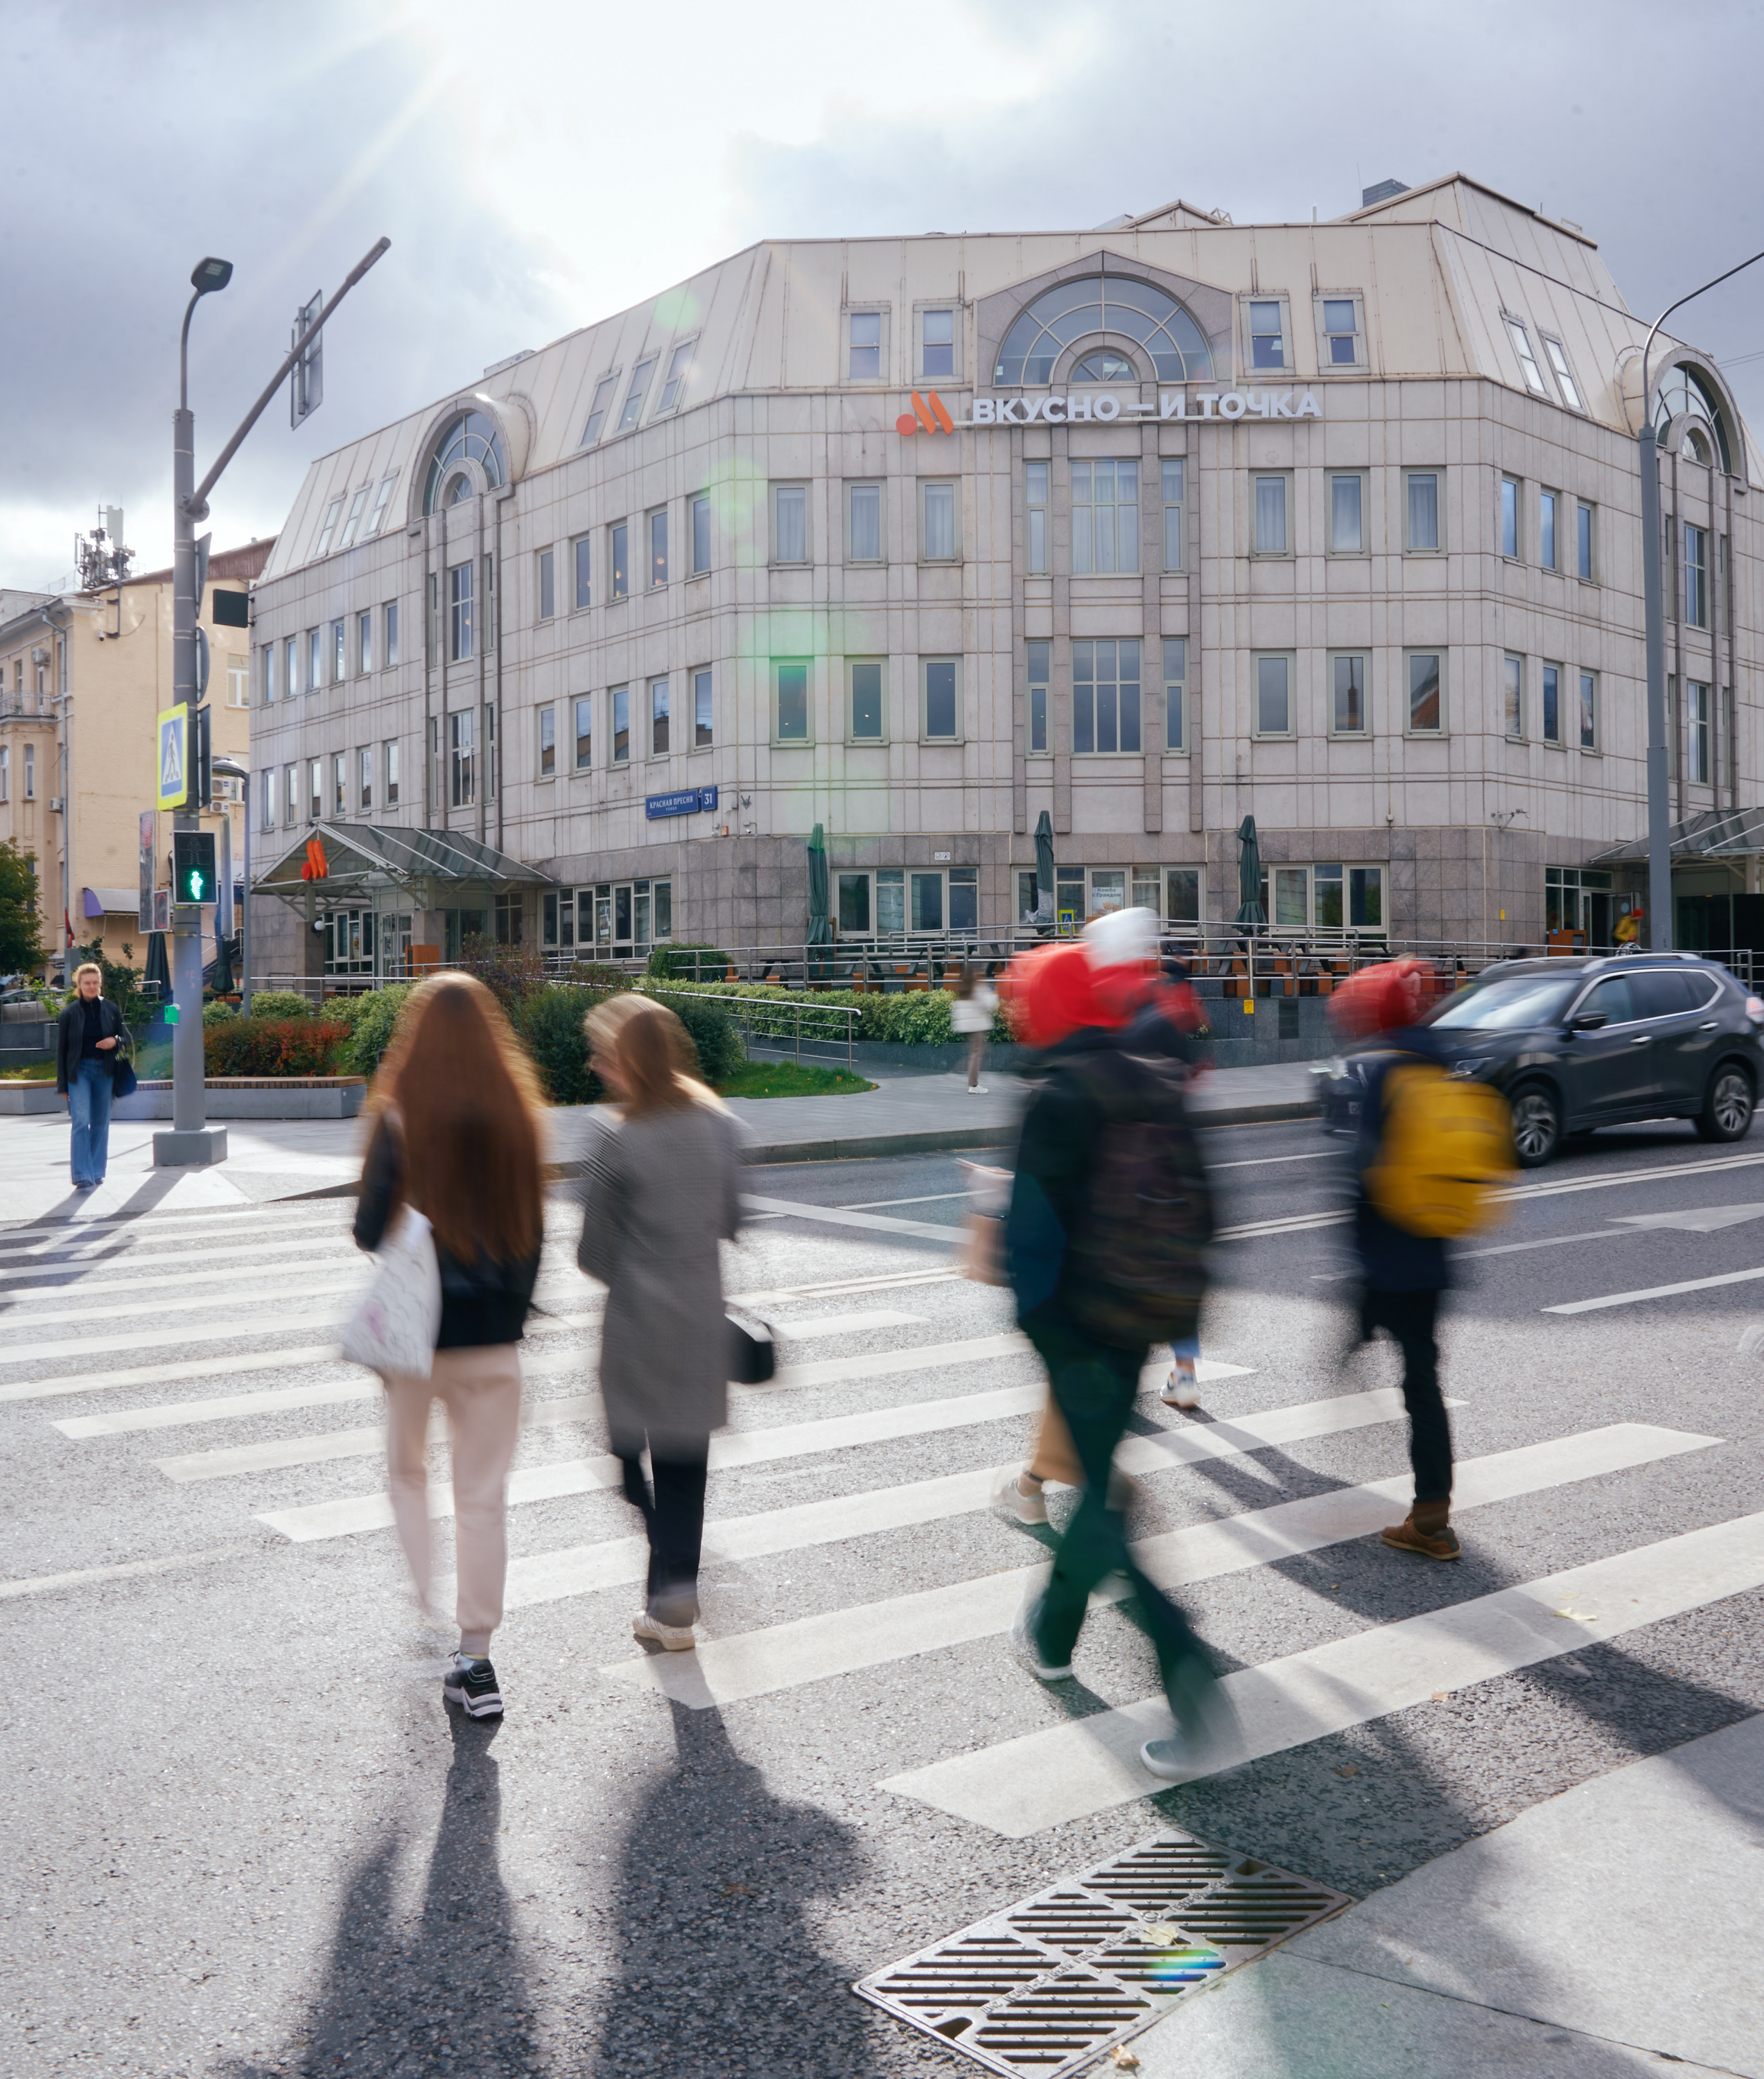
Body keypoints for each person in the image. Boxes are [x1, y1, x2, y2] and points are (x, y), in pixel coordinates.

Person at [1000, 936, 1229, 1782]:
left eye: (1024, 994)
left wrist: (1049, 1338)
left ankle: (1194, 1687)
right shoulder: (1148, 1074)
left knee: (1107, 1514)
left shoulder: (1057, 1093)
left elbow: (1029, 1248)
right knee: (1098, 1490)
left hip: (1082, 1333)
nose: (1016, 1007)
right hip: (1143, 1318)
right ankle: (1052, 1634)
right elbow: (1209, 1206)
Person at [353, 974, 545, 1719]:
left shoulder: (400, 1117)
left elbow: (367, 1231)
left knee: (408, 1471)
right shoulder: (521, 1118)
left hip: (417, 1340)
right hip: (495, 1343)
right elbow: (533, 1237)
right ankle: (477, 1659)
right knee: (483, 1498)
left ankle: (425, 1604)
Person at [577, 993, 747, 1651]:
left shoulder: (613, 1138)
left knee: (631, 1465)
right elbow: (731, 1219)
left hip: (637, 1328)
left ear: (625, 1061)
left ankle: (670, 1596)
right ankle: (673, 1602)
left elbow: (592, 1254)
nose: (594, 1065)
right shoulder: (719, 1126)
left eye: (601, 1054)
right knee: (686, 1470)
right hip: (700, 1319)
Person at [1329, 958, 1460, 1561]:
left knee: (1378, 1335)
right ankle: (1431, 1511)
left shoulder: (1381, 1072)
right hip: (1434, 1251)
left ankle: (1351, 1341)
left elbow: (1364, 1172)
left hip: (1388, 1254)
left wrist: (1354, 1245)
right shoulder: (1442, 1061)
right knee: (1423, 1380)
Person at [56, 961, 127, 1191]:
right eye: (87, 983)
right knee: (80, 1121)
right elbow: (61, 1051)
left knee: (101, 1122)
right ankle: (81, 1174)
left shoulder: (111, 1009)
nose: (92, 987)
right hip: (80, 1072)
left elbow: (123, 1038)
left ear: (100, 984)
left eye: (96, 983)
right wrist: (62, 1085)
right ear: (79, 985)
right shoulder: (69, 1013)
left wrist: (114, 1041)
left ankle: (97, 1171)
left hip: (105, 1071)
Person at [950, 958, 999, 1093]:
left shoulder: (964, 989)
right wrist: (993, 995)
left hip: (968, 1026)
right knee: (977, 1054)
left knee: (975, 1053)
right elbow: (988, 1005)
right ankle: (973, 1085)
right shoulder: (977, 988)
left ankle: (965, 1075)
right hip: (976, 1026)